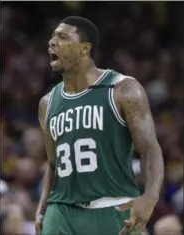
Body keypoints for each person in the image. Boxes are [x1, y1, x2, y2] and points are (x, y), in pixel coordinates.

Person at [35, 16, 164, 235]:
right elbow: (53, 163)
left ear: (85, 48)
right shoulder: (47, 103)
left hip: (114, 207)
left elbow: (149, 148)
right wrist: (42, 207)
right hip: (61, 211)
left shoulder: (123, 90)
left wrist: (150, 196)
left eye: (62, 37)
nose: (52, 42)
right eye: (52, 37)